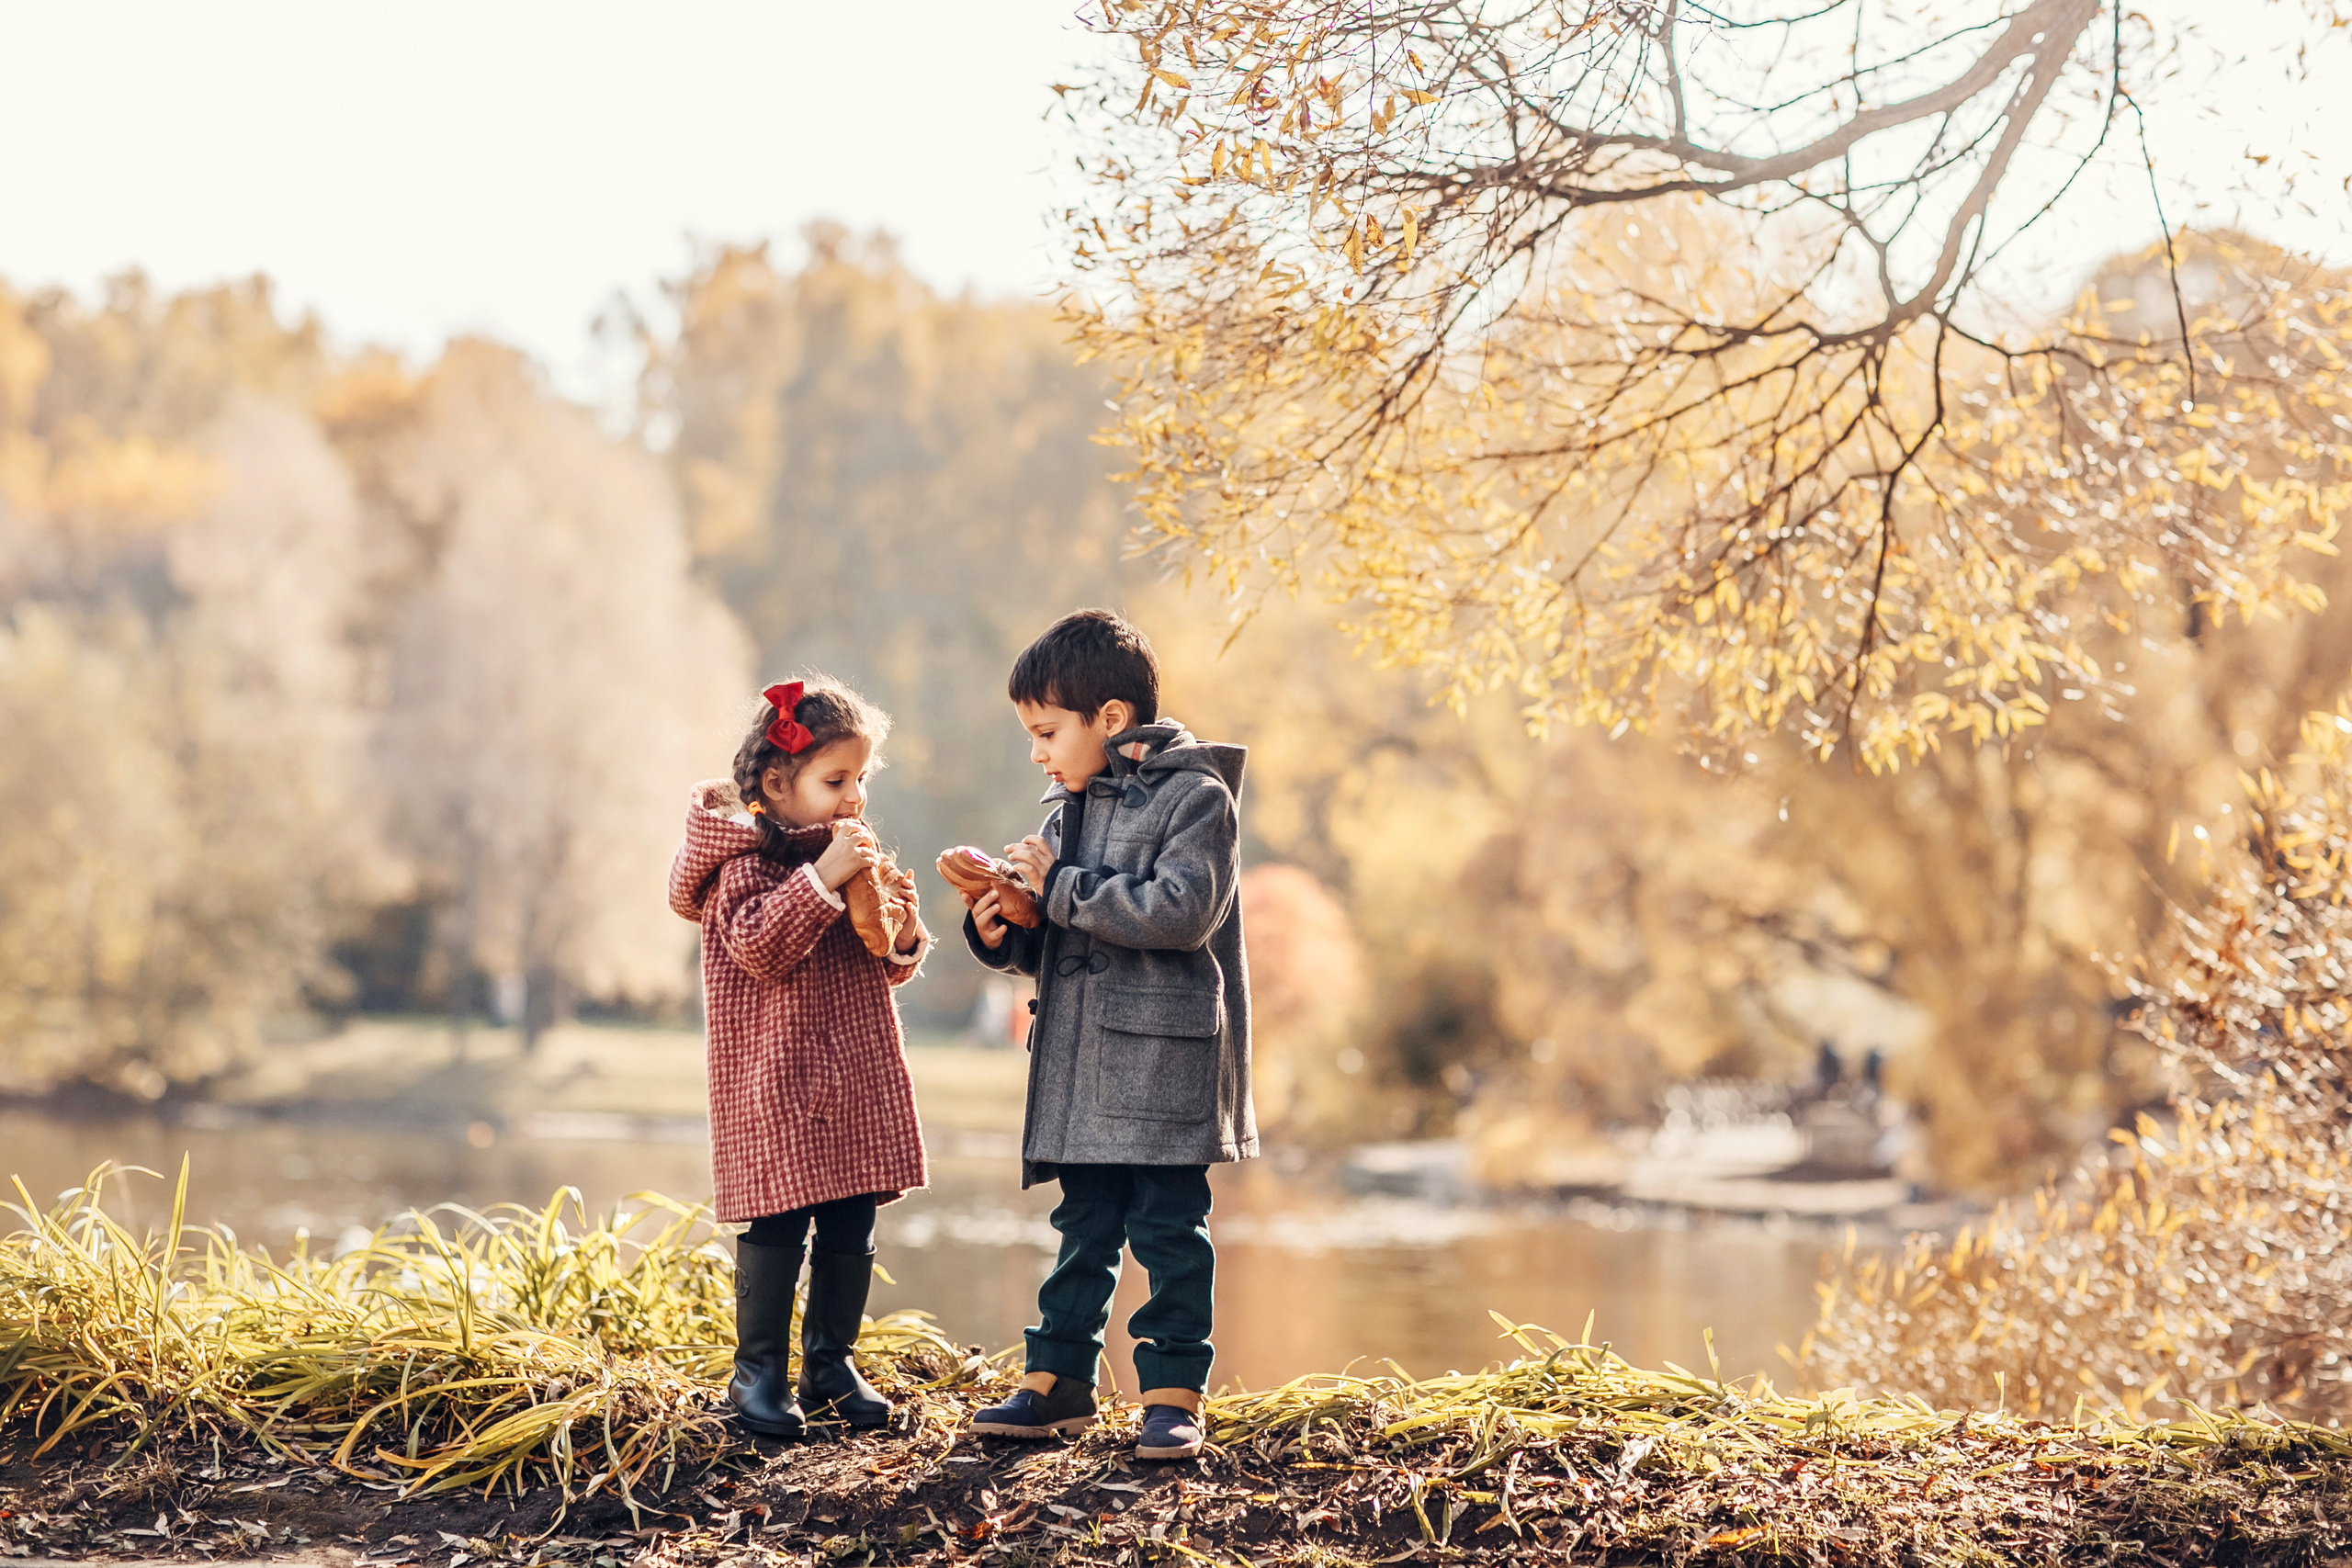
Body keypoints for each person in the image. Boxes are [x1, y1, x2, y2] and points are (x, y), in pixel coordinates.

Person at [956, 610, 1256, 1461]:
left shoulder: (1198, 799)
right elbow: (1060, 932)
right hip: (1082, 1061)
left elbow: (1179, 912)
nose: (1039, 753)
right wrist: (1006, 921)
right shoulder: (1067, 813)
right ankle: (1058, 1380)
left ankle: (1171, 1393)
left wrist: (1061, 888)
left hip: (1161, 1063)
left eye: (1048, 732)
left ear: (1111, 719)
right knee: (1082, 1222)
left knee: (1168, 1227)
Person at [667, 677, 930, 1438]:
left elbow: (880, 961)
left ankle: (830, 1363)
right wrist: (824, 879)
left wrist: (902, 930)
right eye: (835, 780)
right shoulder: (742, 869)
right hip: (775, 1085)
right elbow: (758, 947)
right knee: (779, 1226)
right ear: (778, 786)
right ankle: (757, 1373)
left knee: (850, 1221)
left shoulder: (847, 858)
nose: (853, 798)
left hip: (849, 1077)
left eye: (860, 780)